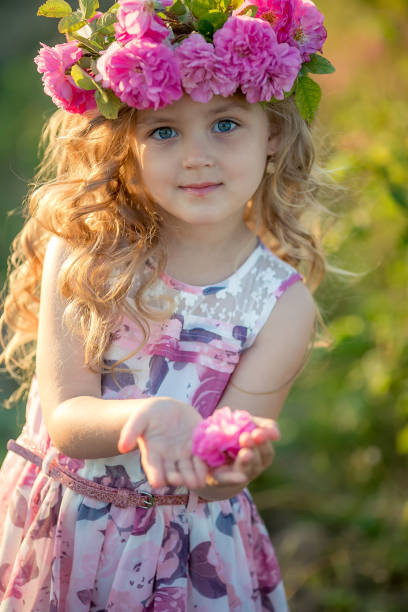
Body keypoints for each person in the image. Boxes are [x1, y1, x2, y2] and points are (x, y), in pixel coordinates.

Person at [0, 0, 335, 609]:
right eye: (164, 130)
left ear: (275, 133)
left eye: (226, 124)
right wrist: (150, 417)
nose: (196, 155)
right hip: (69, 530)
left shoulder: (279, 306)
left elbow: (215, 474)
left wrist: (233, 464)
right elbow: (70, 420)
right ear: (125, 146)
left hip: (189, 551)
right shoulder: (86, 253)